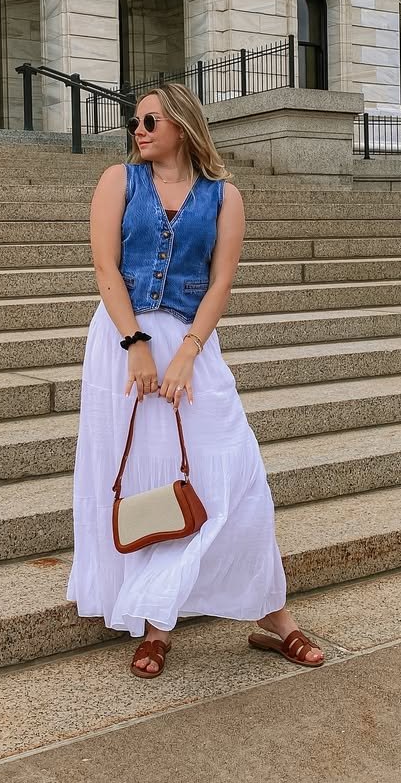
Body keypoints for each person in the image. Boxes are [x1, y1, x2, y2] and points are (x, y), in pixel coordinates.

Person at [66, 83, 325, 678]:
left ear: (182, 123)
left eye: (151, 120)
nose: (139, 129)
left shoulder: (223, 196)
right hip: (120, 344)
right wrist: (134, 343)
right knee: (144, 475)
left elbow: (219, 285)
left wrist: (185, 353)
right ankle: (158, 624)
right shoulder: (118, 182)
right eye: (135, 121)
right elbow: (105, 266)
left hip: (192, 347)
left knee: (235, 472)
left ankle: (272, 615)